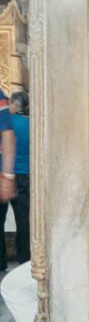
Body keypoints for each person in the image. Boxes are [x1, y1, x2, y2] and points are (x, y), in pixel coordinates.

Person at [0, 91, 28, 271]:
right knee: (24, 223)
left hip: (5, 175)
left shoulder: (10, 123)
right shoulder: (31, 124)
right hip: (25, 178)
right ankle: (25, 262)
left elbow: (7, 141)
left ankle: (1, 263)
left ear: (14, 105)